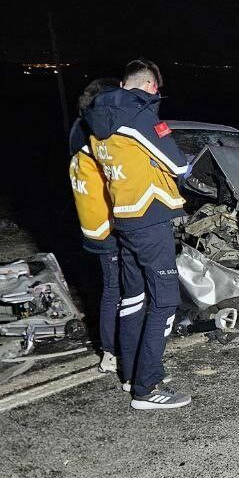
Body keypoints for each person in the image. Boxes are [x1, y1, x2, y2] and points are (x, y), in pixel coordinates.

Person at [84, 59, 194, 411]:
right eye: (156, 91)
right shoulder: (139, 114)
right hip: (149, 218)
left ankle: (130, 374)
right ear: (149, 86)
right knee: (165, 300)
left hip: (124, 219)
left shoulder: (98, 118)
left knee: (132, 299)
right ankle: (147, 387)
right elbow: (179, 166)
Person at [68, 78, 121, 376]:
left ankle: (111, 348)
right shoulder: (97, 136)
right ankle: (112, 352)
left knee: (111, 289)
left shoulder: (78, 129)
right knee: (116, 290)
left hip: (92, 225)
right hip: (108, 227)